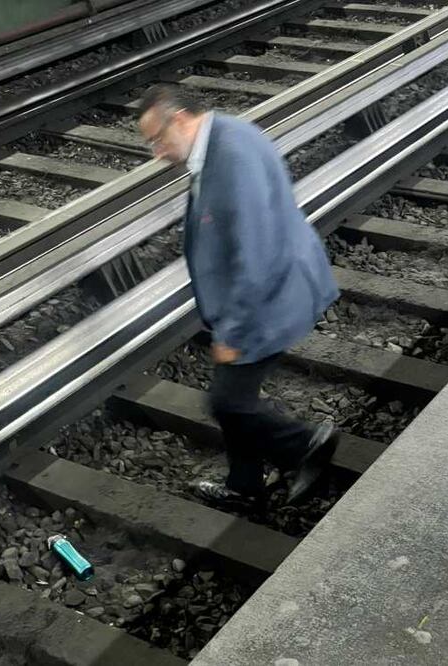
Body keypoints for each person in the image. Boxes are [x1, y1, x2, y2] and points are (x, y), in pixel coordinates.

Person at [137, 84, 340, 506]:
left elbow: (254, 254)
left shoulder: (231, 159)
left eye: (157, 139)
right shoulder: (224, 135)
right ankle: (244, 484)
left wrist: (232, 333)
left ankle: (305, 445)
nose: (156, 152)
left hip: (269, 297)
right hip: (273, 286)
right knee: (236, 400)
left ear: (179, 119)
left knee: (227, 402)